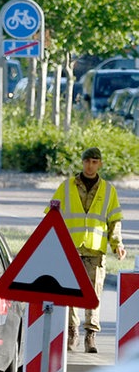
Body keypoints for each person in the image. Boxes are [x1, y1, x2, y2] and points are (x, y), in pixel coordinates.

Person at [48, 146, 125, 354]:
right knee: (71, 294)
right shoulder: (66, 187)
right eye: (87, 161)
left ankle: (91, 335)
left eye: (94, 162)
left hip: (95, 252)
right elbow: (52, 217)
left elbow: (114, 220)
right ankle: (72, 332)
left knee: (93, 295)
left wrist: (117, 244)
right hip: (71, 250)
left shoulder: (109, 191)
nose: (90, 166)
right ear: (82, 163)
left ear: (99, 164)